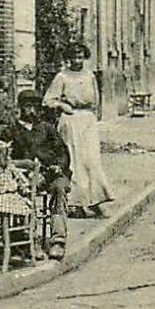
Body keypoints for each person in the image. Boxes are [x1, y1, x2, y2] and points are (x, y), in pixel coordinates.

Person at [43, 43, 114, 217]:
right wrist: (61, 105)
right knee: (74, 162)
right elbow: (48, 100)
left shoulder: (89, 76)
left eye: (80, 56)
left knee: (92, 161)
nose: (77, 60)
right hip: (70, 121)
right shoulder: (62, 77)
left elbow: (96, 99)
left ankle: (95, 200)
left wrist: (92, 117)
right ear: (69, 58)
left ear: (85, 57)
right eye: (74, 57)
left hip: (87, 121)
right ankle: (76, 205)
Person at [11, 90, 72, 260]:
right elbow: (5, 159)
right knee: (23, 195)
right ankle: (31, 240)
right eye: (27, 107)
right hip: (26, 177)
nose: (31, 111)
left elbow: (63, 153)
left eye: (34, 107)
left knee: (60, 190)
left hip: (51, 175)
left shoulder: (47, 129)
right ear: (20, 108)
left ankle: (57, 241)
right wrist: (25, 165)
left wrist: (59, 166)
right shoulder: (13, 131)